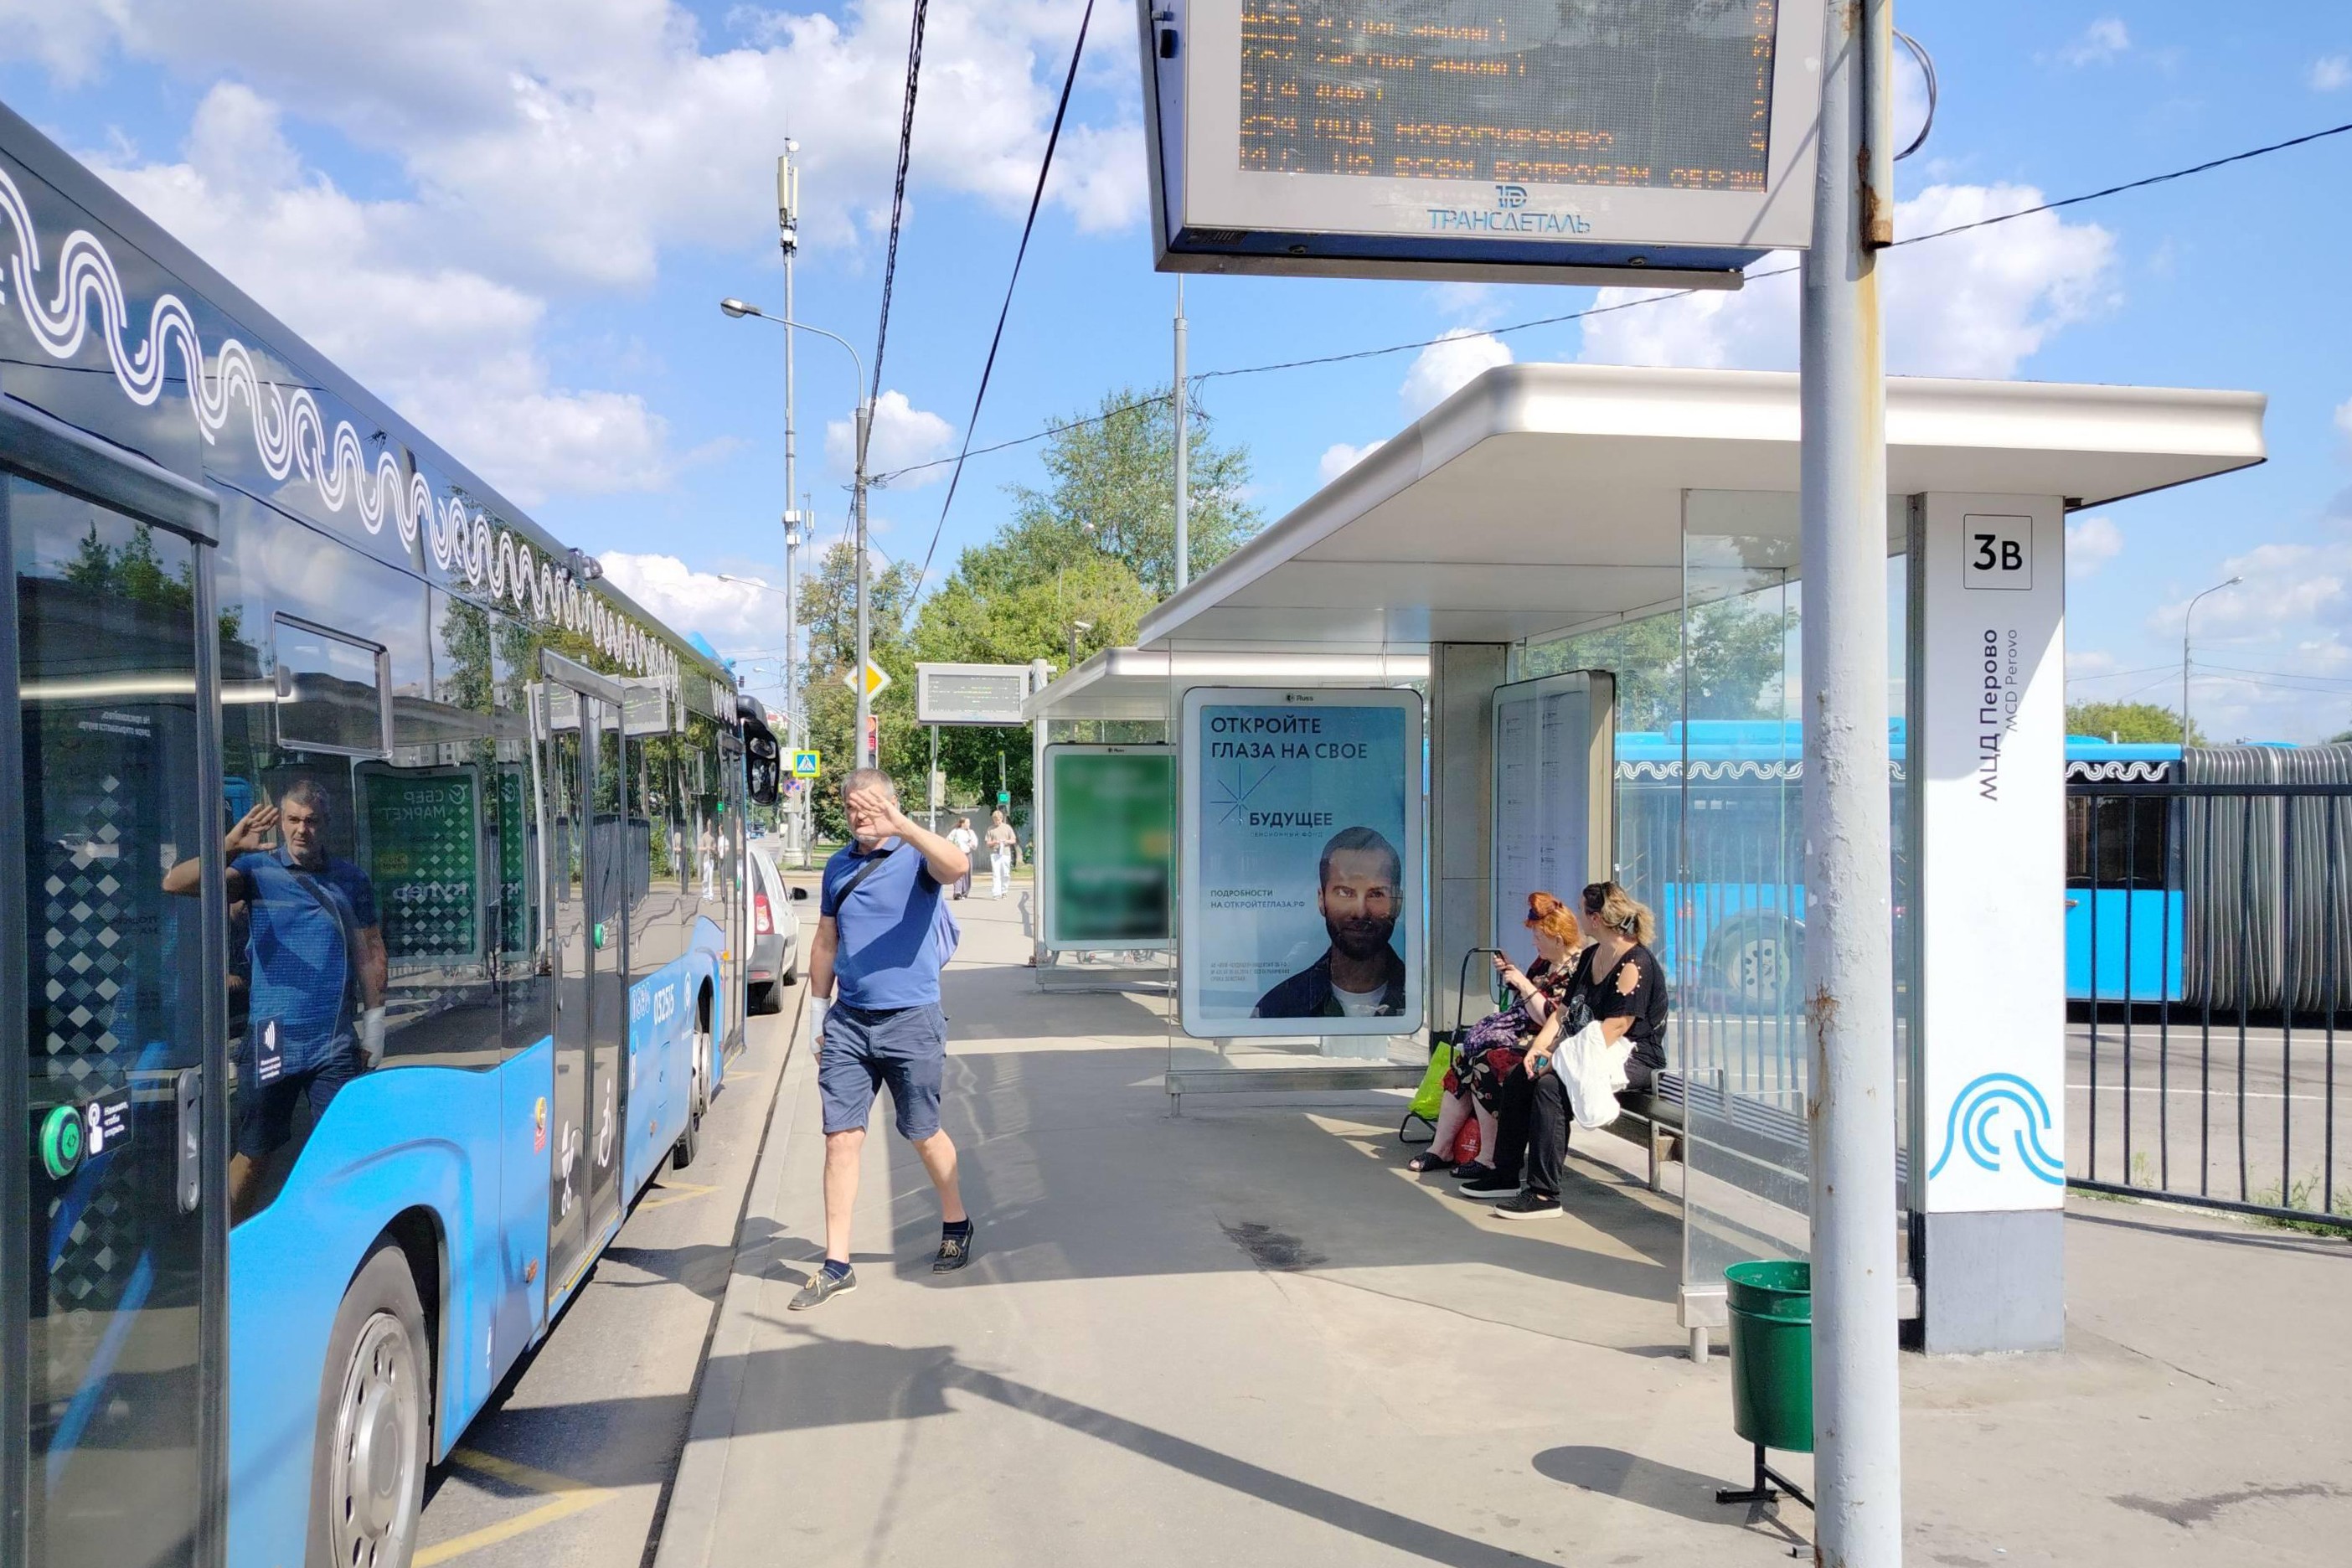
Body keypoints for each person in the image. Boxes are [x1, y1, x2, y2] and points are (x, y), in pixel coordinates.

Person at [792, 768, 975, 1310]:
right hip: (849, 1022)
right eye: (852, 808)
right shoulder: (838, 865)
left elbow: (958, 867)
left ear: (893, 805)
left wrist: (903, 826)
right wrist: (818, 1014)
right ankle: (837, 1263)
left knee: (922, 1131)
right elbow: (826, 940)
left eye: (870, 807)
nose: (859, 817)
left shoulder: (917, 857)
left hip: (912, 1020)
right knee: (840, 1138)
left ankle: (956, 1221)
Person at [164, 779, 386, 1216]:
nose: (302, 829)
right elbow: (175, 883)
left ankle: (333, 1235)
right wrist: (228, 846)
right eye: (294, 820)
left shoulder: (350, 879)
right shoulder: (255, 870)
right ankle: (229, 1241)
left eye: (311, 821)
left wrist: (374, 1028)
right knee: (255, 1152)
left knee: (342, 1149)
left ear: (325, 824)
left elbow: (370, 951)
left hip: (333, 1041)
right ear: (282, 822)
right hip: (272, 1038)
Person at [1467, 881, 1666, 1220]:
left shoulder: (1636, 963)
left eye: (1583, 911)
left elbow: (1617, 1027)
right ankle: (1504, 1174)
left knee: (1550, 1086)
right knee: (1520, 1075)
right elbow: (1562, 1013)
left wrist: (1557, 1061)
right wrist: (1539, 1049)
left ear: (1596, 919)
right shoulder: (1590, 957)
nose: (1579, 917)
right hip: (1590, 1047)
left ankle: (1544, 1193)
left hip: (1633, 1056)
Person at [1408, 892, 1582, 1176]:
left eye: (1539, 937)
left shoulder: (1575, 970)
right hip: (1522, 1036)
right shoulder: (1544, 962)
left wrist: (1523, 983)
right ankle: (1441, 1148)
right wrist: (1514, 976)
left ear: (1559, 940)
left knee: (1486, 1064)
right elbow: (1529, 1000)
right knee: (1464, 1062)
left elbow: (1551, 1018)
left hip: (1547, 1046)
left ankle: (1490, 1156)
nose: (1534, 942)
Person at [1253, 826, 1407, 1019]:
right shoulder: (1277, 1009)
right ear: (1321, 900)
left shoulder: (1424, 1000)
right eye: (1344, 892)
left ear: (1398, 903)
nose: (1360, 912)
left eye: (1376, 894)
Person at [984, 809, 1019, 900]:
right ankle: (996, 893)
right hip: (995, 853)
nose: (997, 821)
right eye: (995, 820)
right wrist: (995, 842)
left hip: (1005, 853)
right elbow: (988, 843)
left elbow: (1013, 840)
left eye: (998, 820)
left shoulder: (1007, 828)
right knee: (996, 874)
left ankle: (1004, 891)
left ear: (1001, 819)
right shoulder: (990, 829)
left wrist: (1006, 841)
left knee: (1005, 873)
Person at [947, 816, 980, 900]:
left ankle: (965, 892)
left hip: (967, 854)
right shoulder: (955, 832)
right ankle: (957, 892)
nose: (969, 824)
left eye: (969, 822)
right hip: (958, 854)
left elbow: (975, 845)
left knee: (967, 873)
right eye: (967, 822)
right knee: (958, 872)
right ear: (962, 823)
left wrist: (971, 844)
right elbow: (948, 841)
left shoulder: (971, 832)